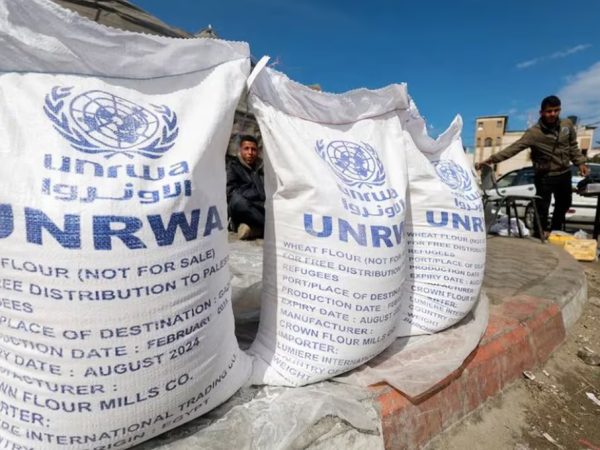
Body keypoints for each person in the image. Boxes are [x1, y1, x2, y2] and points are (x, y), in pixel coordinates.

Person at [476, 95, 589, 237]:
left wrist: (581, 163)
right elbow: (514, 148)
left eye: (556, 110)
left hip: (564, 172)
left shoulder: (567, 125)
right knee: (542, 205)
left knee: (565, 203)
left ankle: (556, 230)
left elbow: (573, 146)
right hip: (545, 175)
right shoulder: (534, 133)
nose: (553, 114)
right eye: (549, 111)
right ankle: (539, 232)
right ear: (541, 112)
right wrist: (491, 159)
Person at [226, 135, 265, 239]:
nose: (250, 152)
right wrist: (254, 193)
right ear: (241, 150)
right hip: (244, 208)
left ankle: (253, 230)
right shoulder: (233, 166)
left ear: (257, 152)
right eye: (246, 149)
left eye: (253, 149)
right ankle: (269, 227)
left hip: (261, 207)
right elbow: (230, 193)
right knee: (238, 201)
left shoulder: (261, 168)